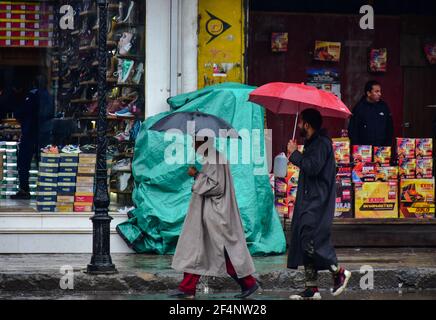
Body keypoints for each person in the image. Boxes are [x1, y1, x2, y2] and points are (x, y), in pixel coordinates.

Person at [169, 137, 259, 299]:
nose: (192, 145)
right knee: (198, 249)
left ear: (202, 142)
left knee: (215, 250)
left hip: (215, 214)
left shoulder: (215, 159)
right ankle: (187, 287)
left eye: (194, 142)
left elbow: (216, 187)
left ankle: (248, 283)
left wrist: (196, 175)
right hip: (211, 213)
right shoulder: (214, 158)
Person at [286, 108, 351, 300]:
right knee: (304, 239)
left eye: (300, 123)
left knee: (311, 239)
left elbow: (313, 167)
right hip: (308, 199)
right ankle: (311, 288)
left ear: (307, 124)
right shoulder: (312, 143)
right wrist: (297, 153)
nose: (298, 126)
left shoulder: (322, 144)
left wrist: (294, 154)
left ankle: (338, 271)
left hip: (317, 201)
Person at [11, 75, 54, 200]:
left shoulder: (31, 95)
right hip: (45, 133)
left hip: (30, 133)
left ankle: (24, 190)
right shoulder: (49, 96)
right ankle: (47, 191)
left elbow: (21, 112)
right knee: (43, 162)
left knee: (24, 163)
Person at [348, 80, 394, 147]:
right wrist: (357, 147)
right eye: (376, 91)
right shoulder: (359, 108)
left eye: (380, 91)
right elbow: (353, 130)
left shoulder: (384, 107)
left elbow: (390, 127)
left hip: (381, 149)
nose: (380, 94)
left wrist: (387, 144)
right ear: (368, 93)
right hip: (364, 150)